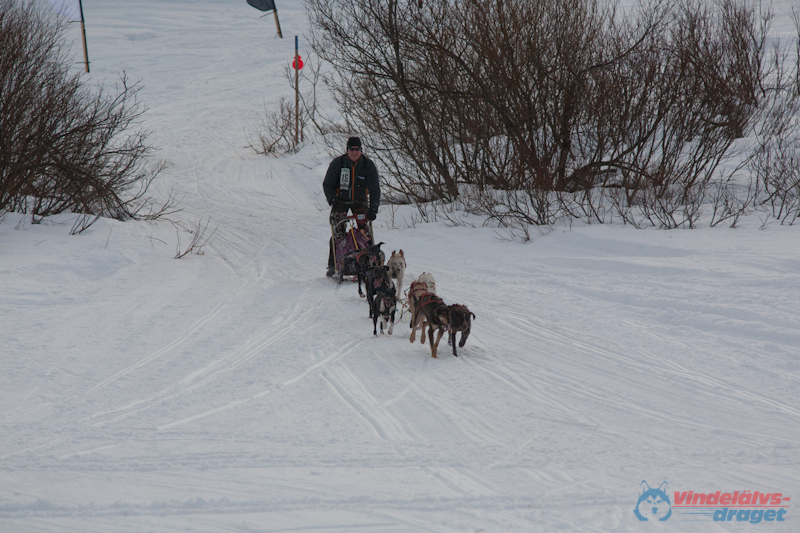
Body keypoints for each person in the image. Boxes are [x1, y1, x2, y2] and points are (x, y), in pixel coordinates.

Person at [323, 136, 381, 277]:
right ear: (347, 149)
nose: (354, 152)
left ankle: (369, 261)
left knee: (364, 231)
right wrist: (332, 200)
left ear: (361, 150)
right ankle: (333, 265)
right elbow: (327, 184)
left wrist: (373, 208)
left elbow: (375, 189)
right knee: (338, 232)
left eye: (357, 149)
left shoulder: (368, 165)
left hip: (360, 200)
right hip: (340, 200)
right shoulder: (338, 164)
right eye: (351, 149)